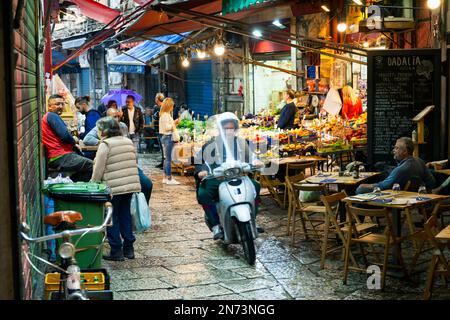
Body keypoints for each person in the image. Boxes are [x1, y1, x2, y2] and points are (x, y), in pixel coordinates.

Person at [194, 112, 263, 240]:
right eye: (226, 128)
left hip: (239, 176)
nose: (229, 131)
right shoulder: (211, 144)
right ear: (220, 129)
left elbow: (252, 156)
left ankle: (252, 219)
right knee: (204, 194)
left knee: (256, 186)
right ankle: (215, 225)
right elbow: (200, 160)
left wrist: (256, 162)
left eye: (231, 128)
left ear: (236, 129)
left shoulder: (242, 143)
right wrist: (201, 171)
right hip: (217, 178)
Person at [91, 117, 141, 261]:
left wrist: (93, 184)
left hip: (113, 188)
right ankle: (129, 249)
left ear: (104, 130)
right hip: (130, 185)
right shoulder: (128, 141)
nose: (99, 132)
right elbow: (134, 161)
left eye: (99, 129)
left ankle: (116, 250)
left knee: (111, 217)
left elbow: (98, 168)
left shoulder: (105, 144)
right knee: (125, 214)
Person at [83, 108, 153, 204]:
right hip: (113, 167)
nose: (115, 119)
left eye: (117, 116)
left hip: (127, 165)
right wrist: (101, 142)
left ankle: (142, 208)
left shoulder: (123, 126)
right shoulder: (103, 128)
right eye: (113, 116)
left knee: (147, 184)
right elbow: (87, 139)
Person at [356, 137, 435, 194]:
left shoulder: (401, 169)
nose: (394, 151)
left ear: (405, 151)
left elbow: (384, 186)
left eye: (396, 148)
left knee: (360, 190)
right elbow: (431, 181)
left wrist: (364, 186)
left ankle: (354, 215)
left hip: (396, 199)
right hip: (412, 198)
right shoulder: (419, 161)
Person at [42, 94, 93, 182]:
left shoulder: (49, 116)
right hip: (60, 156)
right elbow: (65, 135)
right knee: (92, 165)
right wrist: (74, 141)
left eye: (62, 104)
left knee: (85, 165)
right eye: (57, 104)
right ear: (49, 106)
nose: (61, 107)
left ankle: (73, 184)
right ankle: (77, 190)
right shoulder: (52, 116)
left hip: (59, 156)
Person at [159, 97, 180, 185]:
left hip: (166, 137)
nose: (172, 107)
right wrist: (174, 123)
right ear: (168, 106)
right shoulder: (165, 115)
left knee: (166, 158)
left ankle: (165, 177)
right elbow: (167, 128)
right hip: (168, 137)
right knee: (168, 159)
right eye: (171, 106)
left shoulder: (165, 114)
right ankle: (169, 178)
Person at [153, 93, 165, 169]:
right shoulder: (157, 107)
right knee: (162, 148)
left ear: (157, 99)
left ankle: (164, 163)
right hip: (158, 129)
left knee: (164, 148)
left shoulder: (162, 107)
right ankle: (162, 162)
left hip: (162, 130)